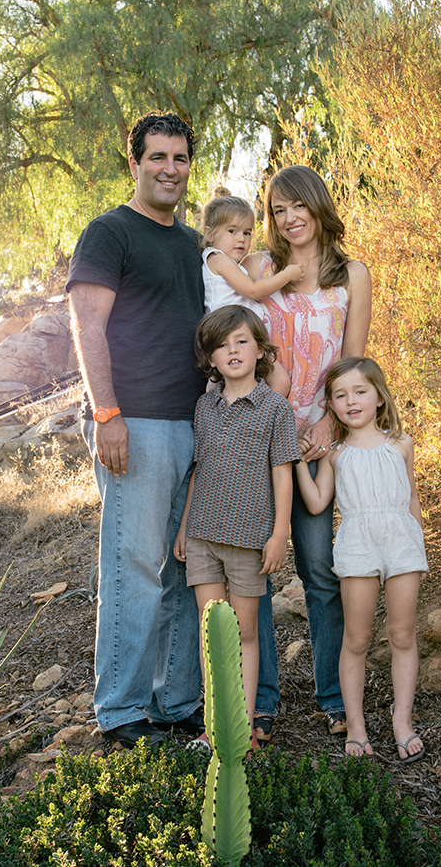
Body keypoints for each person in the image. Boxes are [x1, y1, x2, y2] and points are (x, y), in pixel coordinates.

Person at [66, 111, 206, 748]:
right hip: (136, 426)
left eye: (179, 159)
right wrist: (107, 414)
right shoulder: (110, 233)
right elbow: (88, 326)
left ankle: (174, 702)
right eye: (158, 158)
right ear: (135, 163)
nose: (169, 169)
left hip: (194, 427)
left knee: (182, 572)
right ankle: (120, 711)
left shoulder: (188, 243)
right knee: (133, 571)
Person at [242, 165, 372, 742]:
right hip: (257, 441)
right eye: (277, 210)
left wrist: (326, 419)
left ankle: (331, 695)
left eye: (299, 206)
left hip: (317, 441)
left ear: (319, 207)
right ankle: (262, 699)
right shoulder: (262, 270)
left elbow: (353, 365)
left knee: (320, 567)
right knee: (256, 573)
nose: (289, 219)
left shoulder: (352, 276)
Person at [173, 305, 299, 739]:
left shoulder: (274, 409)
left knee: (245, 634)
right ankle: (215, 727)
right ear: (210, 359)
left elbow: (283, 473)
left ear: (260, 350)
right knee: (213, 635)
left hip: (248, 538)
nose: (232, 351)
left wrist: (280, 532)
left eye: (241, 341)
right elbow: (198, 469)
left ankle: (240, 730)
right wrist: (186, 527)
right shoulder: (204, 407)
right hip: (204, 537)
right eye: (221, 346)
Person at [294, 357, 428, 761]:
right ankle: (356, 726)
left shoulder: (401, 445)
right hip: (357, 546)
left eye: (360, 391)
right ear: (330, 406)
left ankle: (402, 721)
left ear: (379, 398)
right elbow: (317, 503)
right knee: (356, 639)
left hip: (401, 544)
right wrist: (300, 462)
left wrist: (418, 546)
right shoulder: (335, 455)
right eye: (340, 395)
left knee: (402, 635)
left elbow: (412, 499)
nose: (351, 401)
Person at [199, 193, 301, 396]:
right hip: (231, 336)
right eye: (232, 231)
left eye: (247, 233)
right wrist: (287, 275)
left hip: (239, 335)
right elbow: (253, 290)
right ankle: (261, 421)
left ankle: (254, 418)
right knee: (279, 381)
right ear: (209, 234)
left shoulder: (227, 262)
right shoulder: (217, 258)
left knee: (268, 383)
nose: (241, 239)